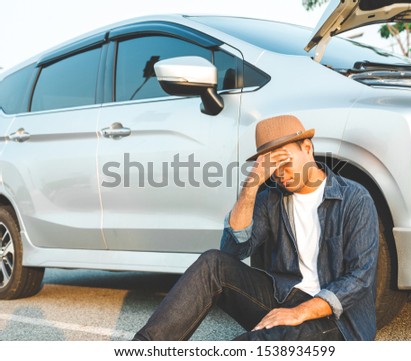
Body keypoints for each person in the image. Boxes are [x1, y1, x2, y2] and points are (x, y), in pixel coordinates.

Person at [133, 114, 379, 341]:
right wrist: (251, 187)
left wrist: (299, 313)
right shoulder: (271, 198)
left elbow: (360, 277)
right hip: (282, 297)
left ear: (307, 148)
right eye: (272, 168)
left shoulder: (354, 199)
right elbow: (231, 253)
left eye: (284, 162)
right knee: (212, 264)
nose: (279, 175)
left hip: (336, 321)